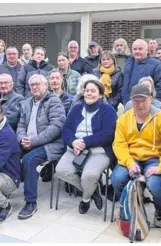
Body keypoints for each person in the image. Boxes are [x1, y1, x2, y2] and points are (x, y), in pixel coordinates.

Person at [111, 84, 161, 227]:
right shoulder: (124, 119)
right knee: (116, 179)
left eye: (144, 100)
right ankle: (129, 204)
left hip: (154, 159)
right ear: (131, 101)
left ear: (151, 99)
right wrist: (129, 162)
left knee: (155, 184)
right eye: (136, 101)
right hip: (132, 157)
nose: (140, 104)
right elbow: (119, 144)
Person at [56, 80, 117, 214]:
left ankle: (85, 198)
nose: (89, 93)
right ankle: (93, 190)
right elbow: (66, 128)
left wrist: (84, 141)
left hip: (98, 151)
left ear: (100, 94)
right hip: (75, 149)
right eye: (87, 90)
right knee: (61, 171)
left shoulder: (108, 110)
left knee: (89, 176)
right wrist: (73, 141)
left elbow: (108, 134)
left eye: (93, 91)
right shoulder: (76, 108)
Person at [16, 74, 66, 219]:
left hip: (50, 144)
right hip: (29, 141)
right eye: (32, 85)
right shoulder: (26, 103)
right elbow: (20, 125)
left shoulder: (54, 101)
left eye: (38, 84)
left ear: (46, 85)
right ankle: (5, 190)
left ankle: (30, 202)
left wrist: (34, 141)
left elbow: (56, 127)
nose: (35, 87)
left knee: (29, 160)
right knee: (8, 152)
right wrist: (21, 138)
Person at [122, 39, 161, 105]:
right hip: (130, 104)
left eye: (140, 49)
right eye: (135, 49)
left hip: (148, 106)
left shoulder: (157, 65)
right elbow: (124, 86)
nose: (137, 51)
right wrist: (126, 102)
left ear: (147, 51)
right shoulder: (128, 64)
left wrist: (150, 104)